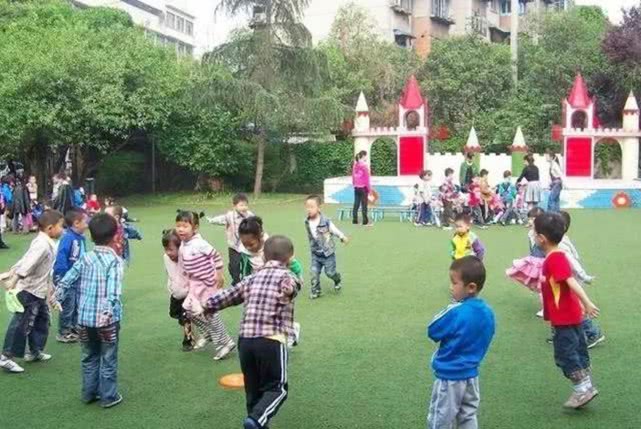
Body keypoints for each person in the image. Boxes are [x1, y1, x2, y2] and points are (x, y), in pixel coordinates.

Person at [205, 235, 302, 429]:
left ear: (264, 256)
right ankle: (256, 420)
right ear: (290, 258)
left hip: (246, 342)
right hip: (271, 340)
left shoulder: (251, 278)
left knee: (253, 391)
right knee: (277, 389)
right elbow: (292, 287)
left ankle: (256, 422)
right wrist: (289, 287)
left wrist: (208, 305)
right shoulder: (287, 276)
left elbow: (229, 295)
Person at [52, 213, 125, 408]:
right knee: (108, 359)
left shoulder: (85, 258)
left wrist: (56, 296)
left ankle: (89, 393)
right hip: (107, 321)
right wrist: (107, 312)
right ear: (115, 236)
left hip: (84, 320)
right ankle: (108, 396)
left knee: (89, 357)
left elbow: (67, 279)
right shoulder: (115, 261)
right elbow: (113, 291)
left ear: (91, 236)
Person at [534, 212, 600, 409]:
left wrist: (586, 302)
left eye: (534, 232)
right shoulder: (557, 256)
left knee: (566, 353)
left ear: (541, 238)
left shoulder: (554, 259)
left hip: (564, 317)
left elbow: (571, 282)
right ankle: (586, 386)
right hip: (570, 314)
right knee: (577, 348)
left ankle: (581, 390)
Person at [427, 256, 495, 429]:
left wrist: (452, 306)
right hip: (471, 375)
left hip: (449, 376)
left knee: (440, 418)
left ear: (471, 287)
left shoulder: (456, 311)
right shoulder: (488, 312)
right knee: (468, 415)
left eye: (454, 283)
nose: (451, 287)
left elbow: (433, 330)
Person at [0, 209, 64, 373]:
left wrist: (51, 293)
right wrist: (13, 279)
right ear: (50, 228)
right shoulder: (42, 244)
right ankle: (6, 357)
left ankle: (34, 351)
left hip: (39, 290)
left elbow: (33, 263)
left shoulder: (46, 242)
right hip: (29, 291)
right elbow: (28, 263)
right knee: (22, 323)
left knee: (42, 320)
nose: (62, 229)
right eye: (60, 226)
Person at [176, 210, 235, 361]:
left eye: (185, 226)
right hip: (195, 285)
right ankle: (207, 333)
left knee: (210, 313)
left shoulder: (199, 244)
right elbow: (185, 265)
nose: (181, 229)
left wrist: (219, 275)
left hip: (207, 284)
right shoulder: (184, 244)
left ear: (195, 228)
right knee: (187, 310)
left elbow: (216, 256)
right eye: (178, 226)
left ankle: (225, 343)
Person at [238, 216, 303, 348]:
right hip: (259, 286)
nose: (248, 247)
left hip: (280, 285)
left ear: (261, 236)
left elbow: (292, 262)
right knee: (260, 311)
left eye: (251, 244)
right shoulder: (245, 251)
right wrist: (245, 283)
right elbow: (245, 269)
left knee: (281, 311)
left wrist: (298, 277)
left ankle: (291, 332)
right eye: (245, 244)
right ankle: (264, 334)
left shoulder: (273, 247)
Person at [559, 211, 604, 349]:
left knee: (574, 307)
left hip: (569, 280)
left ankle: (593, 333)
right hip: (563, 280)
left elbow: (573, 261)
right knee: (563, 307)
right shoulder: (561, 240)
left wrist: (584, 276)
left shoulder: (560, 245)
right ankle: (561, 334)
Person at [53, 209, 88, 343]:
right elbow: (61, 256)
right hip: (66, 278)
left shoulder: (80, 238)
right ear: (76, 223)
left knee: (76, 304)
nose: (87, 224)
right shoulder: (68, 238)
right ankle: (64, 332)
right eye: (85, 221)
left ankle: (74, 327)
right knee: (68, 306)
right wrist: (62, 276)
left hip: (77, 278)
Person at [304, 195, 348, 300]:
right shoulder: (307, 221)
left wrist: (342, 236)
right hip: (316, 254)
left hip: (328, 253)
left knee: (330, 273)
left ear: (319, 208)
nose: (309, 209)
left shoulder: (326, 221)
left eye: (312, 207)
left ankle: (337, 279)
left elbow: (334, 230)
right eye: (307, 207)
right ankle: (316, 291)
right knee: (314, 273)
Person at [206, 193, 254, 285]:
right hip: (234, 246)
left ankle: (244, 283)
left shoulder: (250, 216)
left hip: (246, 246)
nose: (244, 208)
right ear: (234, 206)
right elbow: (221, 219)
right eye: (241, 205)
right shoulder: (230, 216)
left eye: (245, 205)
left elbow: (256, 225)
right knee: (233, 267)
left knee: (247, 266)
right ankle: (236, 280)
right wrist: (212, 220)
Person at [506, 207, 546, 317]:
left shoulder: (545, 234)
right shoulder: (530, 233)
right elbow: (532, 248)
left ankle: (546, 309)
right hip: (535, 262)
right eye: (530, 219)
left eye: (534, 219)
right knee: (539, 286)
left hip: (544, 263)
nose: (531, 221)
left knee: (543, 287)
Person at [162, 229, 195, 352]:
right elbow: (169, 273)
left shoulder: (186, 258)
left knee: (186, 318)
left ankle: (188, 340)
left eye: (171, 249)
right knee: (174, 313)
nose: (168, 252)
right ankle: (191, 321)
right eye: (166, 249)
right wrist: (171, 286)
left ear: (180, 247)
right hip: (176, 293)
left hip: (188, 293)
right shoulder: (166, 258)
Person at [351, 150, 371, 226]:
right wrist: (369, 189)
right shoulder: (364, 166)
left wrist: (354, 184)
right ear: (363, 156)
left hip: (356, 187)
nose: (366, 157)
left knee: (356, 204)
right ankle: (365, 221)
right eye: (366, 156)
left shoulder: (355, 165)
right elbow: (367, 179)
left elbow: (353, 176)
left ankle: (355, 220)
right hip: (363, 188)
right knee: (364, 205)